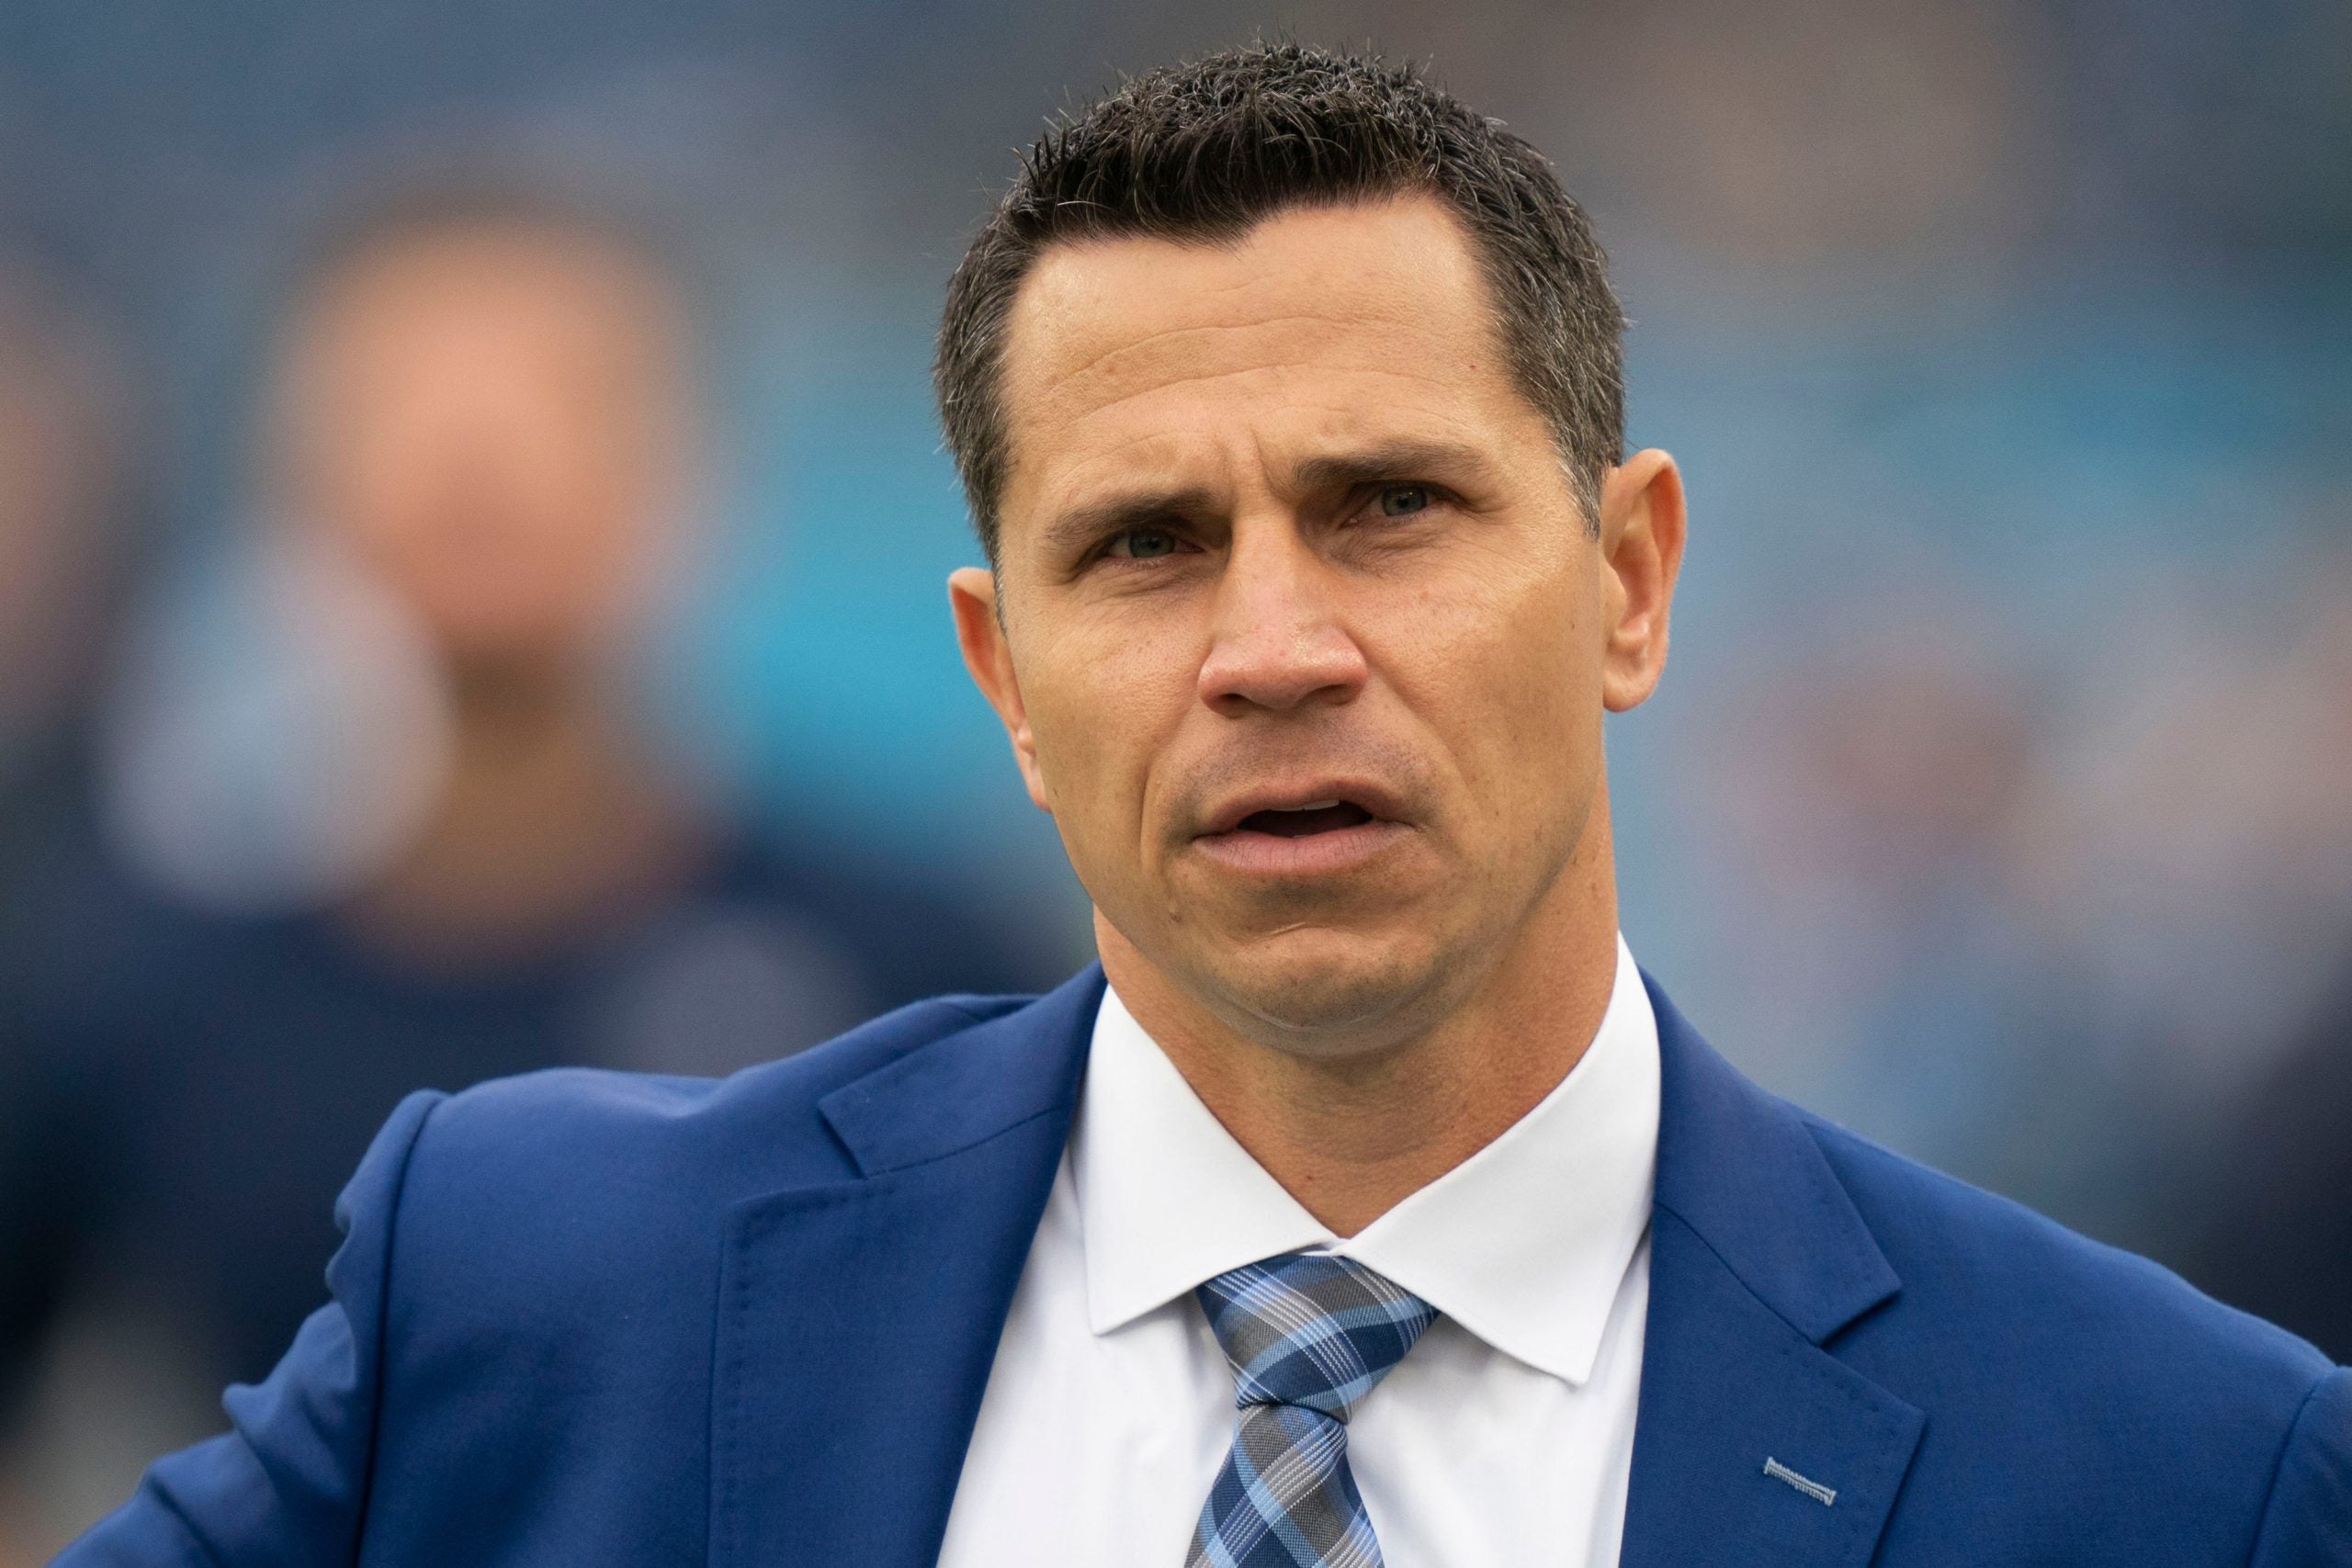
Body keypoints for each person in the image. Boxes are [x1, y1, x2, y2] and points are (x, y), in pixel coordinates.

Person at [58, 45, 2347, 1568]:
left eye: (1386, 505)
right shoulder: (540, 1291)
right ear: (1003, 677)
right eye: (1142, 544)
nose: (1269, 643)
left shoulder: (2172, 1465)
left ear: (1631, 579)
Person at [3, 186, 1052, 1556]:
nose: (477, 458)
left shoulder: (915, 961)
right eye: (400, 401)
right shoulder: (122, 990)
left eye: (558, 394)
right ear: (287, 473)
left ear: (692, 464)